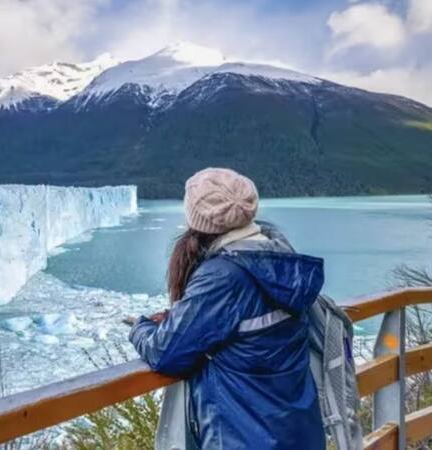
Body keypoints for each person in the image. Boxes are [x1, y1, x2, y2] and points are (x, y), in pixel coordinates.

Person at [129, 168, 326, 449]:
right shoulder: (280, 255)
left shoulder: (222, 276)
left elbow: (167, 353)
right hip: (298, 431)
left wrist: (142, 327)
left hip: (244, 437)